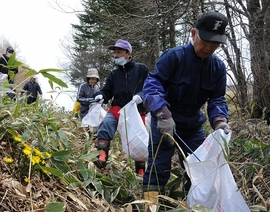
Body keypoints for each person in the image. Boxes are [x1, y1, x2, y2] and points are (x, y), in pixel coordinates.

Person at [142, 11, 231, 205]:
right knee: (158, 169)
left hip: (192, 127)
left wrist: (220, 120)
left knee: (200, 172)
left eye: (215, 44)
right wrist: (162, 113)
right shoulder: (173, 57)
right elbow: (152, 86)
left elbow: (217, 99)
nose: (209, 48)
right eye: (205, 41)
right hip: (164, 124)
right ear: (193, 34)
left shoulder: (217, 68)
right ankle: (149, 207)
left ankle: (195, 206)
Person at [93, 39, 150, 175]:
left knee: (139, 140)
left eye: (119, 52)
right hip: (118, 108)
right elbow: (107, 91)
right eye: (115, 53)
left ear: (128, 53)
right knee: (105, 125)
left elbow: (149, 87)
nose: (115, 56)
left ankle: (141, 171)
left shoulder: (142, 70)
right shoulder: (114, 74)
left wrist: (140, 95)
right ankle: (101, 158)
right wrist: (101, 96)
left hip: (137, 110)